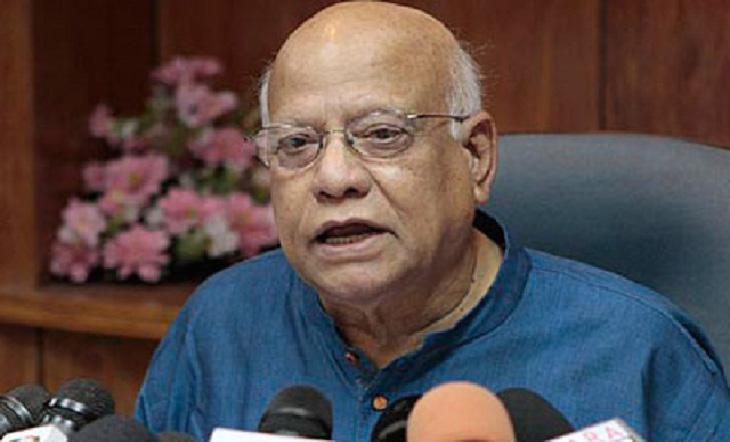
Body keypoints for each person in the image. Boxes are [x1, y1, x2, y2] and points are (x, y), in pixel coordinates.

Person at [135, 2, 730, 440]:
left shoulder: (635, 348)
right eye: (296, 143)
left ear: (475, 156)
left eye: (382, 134)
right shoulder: (221, 322)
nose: (334, 178)